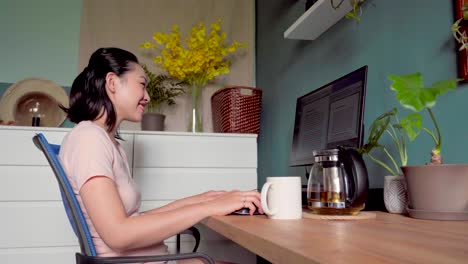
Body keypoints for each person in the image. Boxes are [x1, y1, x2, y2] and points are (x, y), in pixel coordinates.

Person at [59, 47, 262, 263]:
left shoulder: (105, 142)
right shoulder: (89, 139)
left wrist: (201, 200)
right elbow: (119, 234)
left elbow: (135, 220)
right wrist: (208, 208)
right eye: (142, 85)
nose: (147, 96)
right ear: (112, 83)